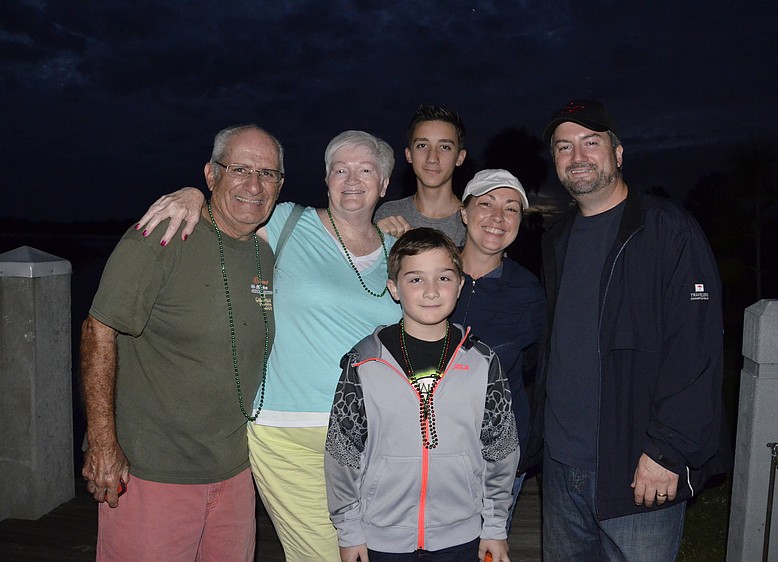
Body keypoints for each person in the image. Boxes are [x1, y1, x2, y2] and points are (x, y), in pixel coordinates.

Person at [134, 130, 402, 561]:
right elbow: (235, 203)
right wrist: (192, 194)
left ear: (385, 184)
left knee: (377, 550)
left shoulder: (399, 251)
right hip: (288, 430)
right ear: (326, 179)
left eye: (366, 170)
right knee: (323, 555)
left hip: (373, 433)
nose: (352, 179)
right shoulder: (286, 222)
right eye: (340, 169)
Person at [532, 99, 728, 560]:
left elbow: (696, 347)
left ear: (617, 154)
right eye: (564, 147)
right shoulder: (556, 239)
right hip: (561, 468)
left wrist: (668, 451)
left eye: (590, 143)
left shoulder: (666, 230)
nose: (577, 156)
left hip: (638, 467)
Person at [80, 124, 283, 561]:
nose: (254, 184)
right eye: (240, 169)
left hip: (234, 471)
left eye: (267, 174)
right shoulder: (163, 235)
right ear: (211, 175)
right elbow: (99, 330)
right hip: (152, 472)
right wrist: (101, 443)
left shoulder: (265, 252)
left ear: (280, 185)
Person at [324, 227, 519, 562]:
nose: (431, 291)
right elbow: (342, 453)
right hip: (380, 536)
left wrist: (495, 526)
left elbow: (501, 449)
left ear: (459, 284)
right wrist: (349, 530)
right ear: (394, 289)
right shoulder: (364, 362)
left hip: (461, 534)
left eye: (443, 278)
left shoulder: (483, 361)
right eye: (415, 279)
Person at [453, 169, 546, 527]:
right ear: (464, 212)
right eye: (486, 204)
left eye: (511, 209)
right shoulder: (432, 272)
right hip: (425, 454)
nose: (497, 218)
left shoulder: (529, 290)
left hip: (495, 461)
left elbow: (533, 366)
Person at [373, 104, 468, 246]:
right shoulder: (389, 214)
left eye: (445, 147)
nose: (432, 158)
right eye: (422, 145)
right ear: (409, 154)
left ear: (460, 157)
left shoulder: (473, 223)